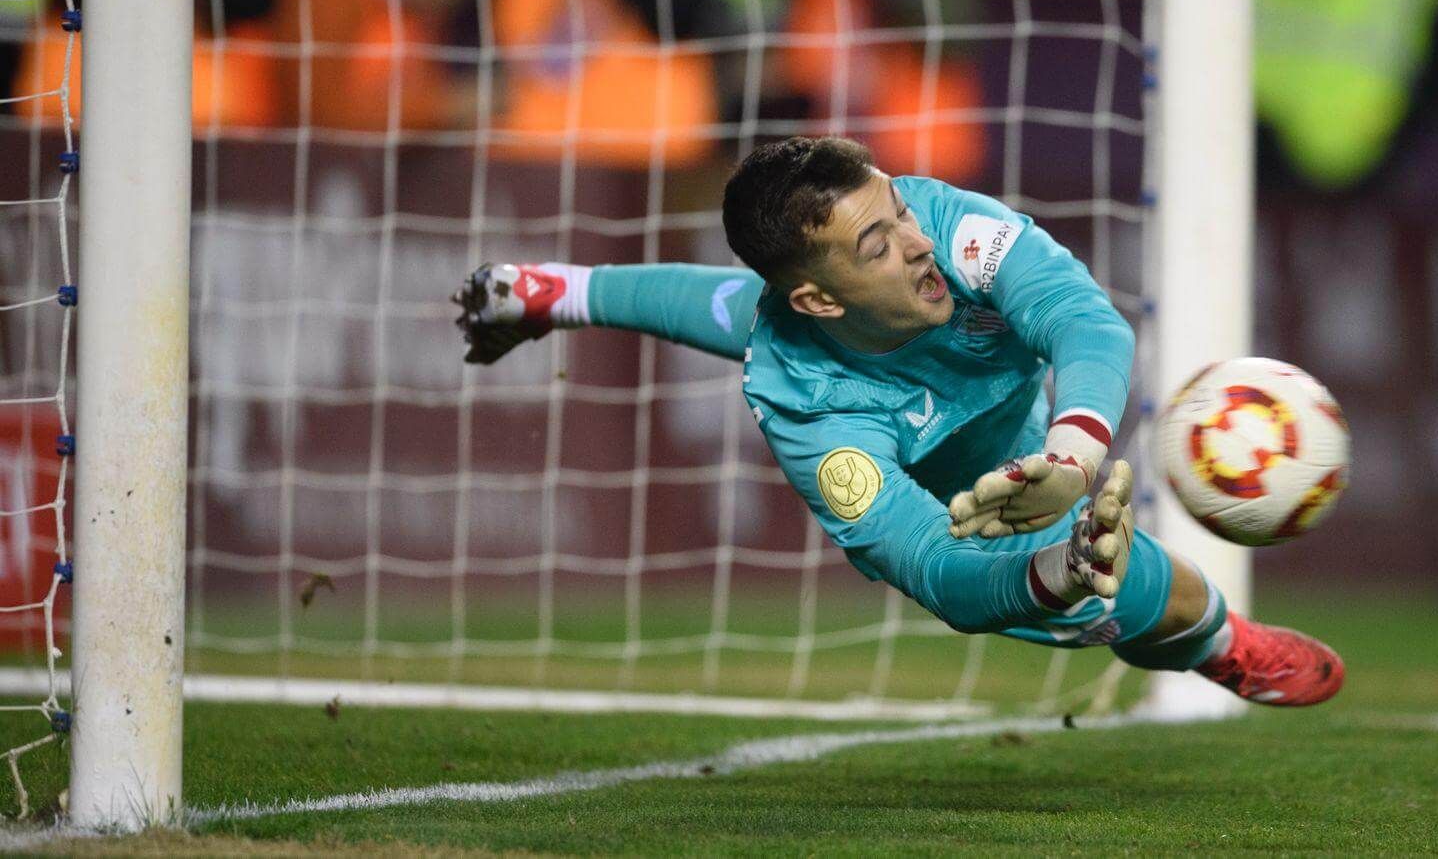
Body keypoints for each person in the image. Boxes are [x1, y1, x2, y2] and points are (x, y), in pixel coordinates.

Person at [450, 136, 1344, 707]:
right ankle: (1223, 647)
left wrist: (1071, 456)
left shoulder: (953, 234)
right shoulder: (809, 416)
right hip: (975, 499)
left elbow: (1087, 322)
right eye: (878, 244)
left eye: (898, 210)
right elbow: (939, 572)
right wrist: (1057, 570)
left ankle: (551, 292)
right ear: (819, 293)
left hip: (1030, 444)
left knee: (745, 309)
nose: (915, 240)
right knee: (1149, 597)